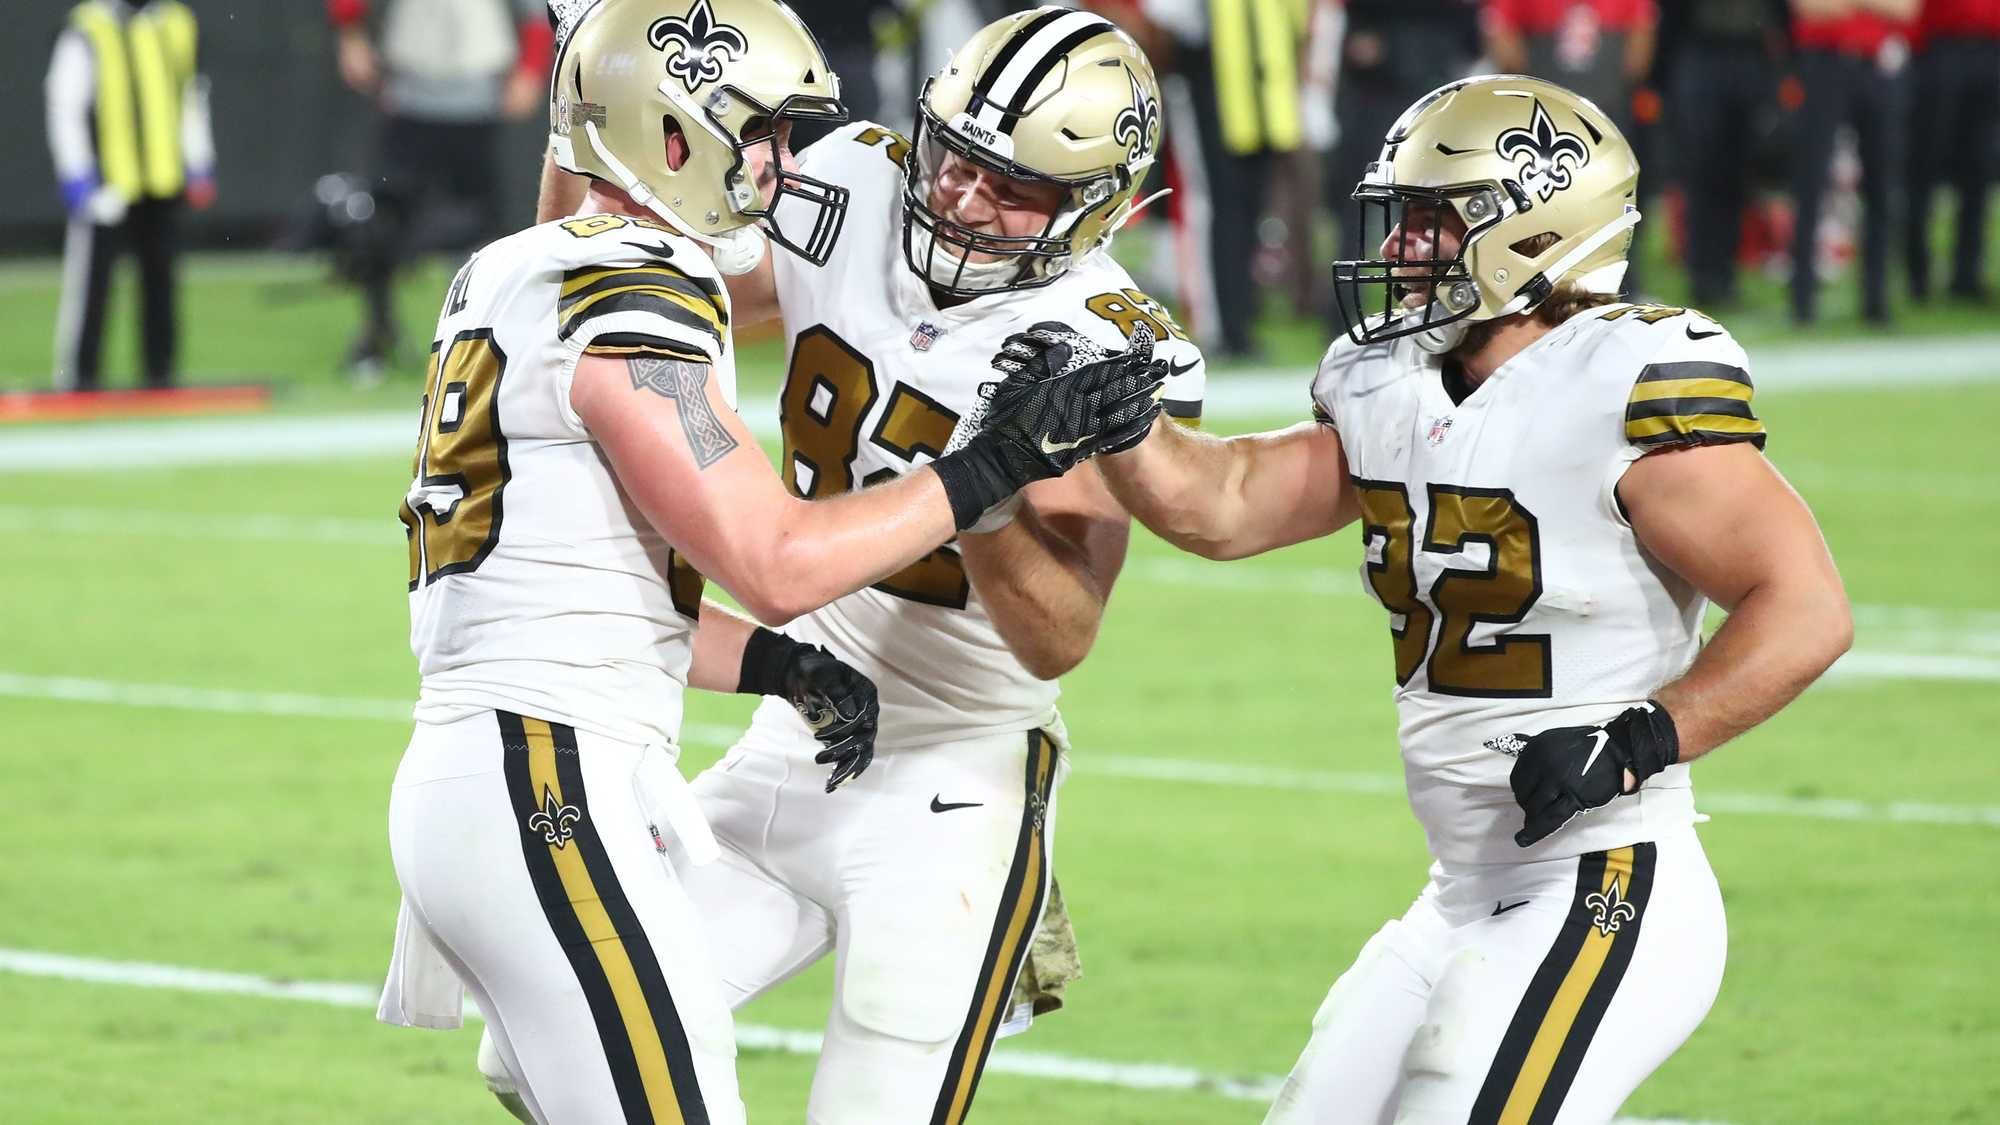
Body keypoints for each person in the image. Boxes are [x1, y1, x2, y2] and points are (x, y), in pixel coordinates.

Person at [374, 1, 1167, 1122]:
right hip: (547, 775)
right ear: (673, 134)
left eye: (1014, 185)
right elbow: (775, 561)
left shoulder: (512, 267)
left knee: (563, 1072)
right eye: (760, 135)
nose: (784, 169)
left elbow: (621, 596)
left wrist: (778, 666)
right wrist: (990, 468)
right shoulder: (641, 299)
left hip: (535, 770)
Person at [1093, 74, 1853, 1123]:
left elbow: (1805, 606)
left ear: (1535, 229)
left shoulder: (1621, 379)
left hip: (1604, 881)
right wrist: (1117, 423)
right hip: (1456, 893)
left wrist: (1638, 739)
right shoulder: (1390, 377)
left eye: (1431, 219)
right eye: (1401, 216)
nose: (1401, 245)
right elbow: (1223, 505)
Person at [328, 0, 553, 380]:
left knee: (487, 235)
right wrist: (350, 32)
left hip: (478, 94)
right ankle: (378, 331)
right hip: (409, 89)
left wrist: (532, 66)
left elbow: (536, 8)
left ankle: (487, 342)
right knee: (380, 219)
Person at [45, 0, 215, 392]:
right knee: (92, 286)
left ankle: (160, 377)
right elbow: (64, 104)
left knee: (161, 284)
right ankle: (80, 380)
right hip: (108, 184)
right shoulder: (89, 26)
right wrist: (78, 176)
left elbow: (191, 94)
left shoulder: (176, 22)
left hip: (162, 179)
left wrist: (199, 160)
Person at [1786, 0, 1918, 325]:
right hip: (1823, 62)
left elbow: (1905, 10)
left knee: (1882, 184)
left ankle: (1876, 299)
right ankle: (1802, 298)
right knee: (1811, 181)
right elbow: (1812, 7)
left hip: (1875, 66)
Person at [1903, 0, 2000, 304]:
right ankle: (1917, 273)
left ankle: (1967, 275)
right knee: (1924, 164)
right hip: (1940, 46)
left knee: (1980, 166)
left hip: (1990, 48)